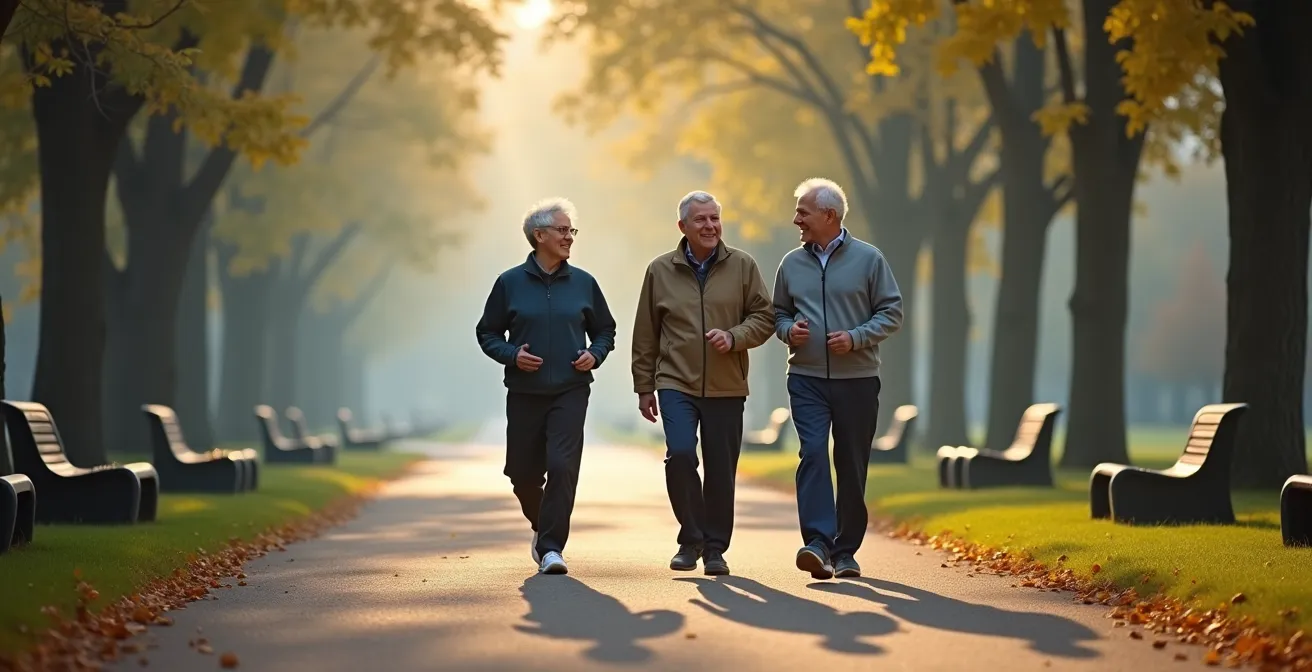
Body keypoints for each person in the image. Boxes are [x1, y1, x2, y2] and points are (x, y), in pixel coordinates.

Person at [631, 190, 775, 576]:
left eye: (714, 218)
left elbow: (765, 317)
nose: (710, 226)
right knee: (680, 454)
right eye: (701, 220)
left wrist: (734, 337)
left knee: (721, 468)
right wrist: (644, 386)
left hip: (727, 384)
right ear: (683, 227)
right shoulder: (659, 270)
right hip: (675, 380)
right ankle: (690, 537)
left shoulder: (743, 266)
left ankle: (715, 549)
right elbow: (645, 333)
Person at [475, 197, 617, 575]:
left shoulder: (584, 283)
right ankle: (543, 526)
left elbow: (605, 330)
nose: (569, 237)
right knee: (521, 472)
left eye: (571, 230)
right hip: (524, 392)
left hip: (571, 389)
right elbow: (487, 332)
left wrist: (595, 354)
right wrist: (511, 355)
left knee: (562, 465)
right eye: (562, 230)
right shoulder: (509, 283)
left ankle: (552, 548)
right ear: (538, 236)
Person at [772, 177, 903, 580]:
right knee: (812, 453)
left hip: (858, 379)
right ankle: (817, 543)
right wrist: (788, 329)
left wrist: (856, 337)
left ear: (829, 215)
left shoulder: (869, 259)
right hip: (807, 378)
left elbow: (891, 312)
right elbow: (777, 312)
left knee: (850, 463)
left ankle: (845, 552)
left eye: (803, 212)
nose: (796, 220)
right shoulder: (791, 263)